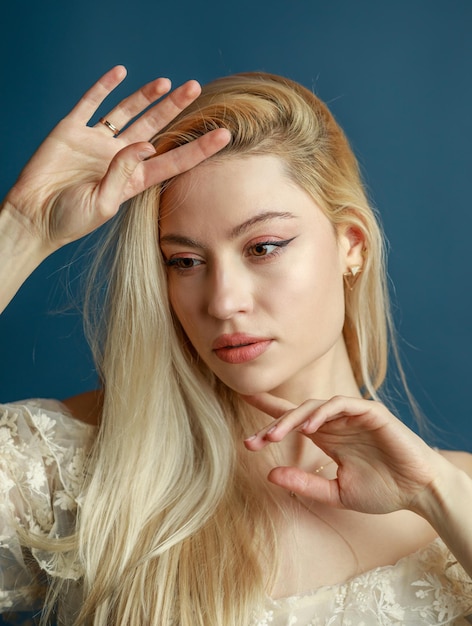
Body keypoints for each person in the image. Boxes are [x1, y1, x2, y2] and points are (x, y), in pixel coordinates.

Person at [1, 65, 472, 626]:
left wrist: (435, 494)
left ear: (352, 246)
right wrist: (20, 229)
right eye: (185, 262)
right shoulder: (75, 466)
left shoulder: (453, 493)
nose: (222, 302)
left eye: (264, 247)